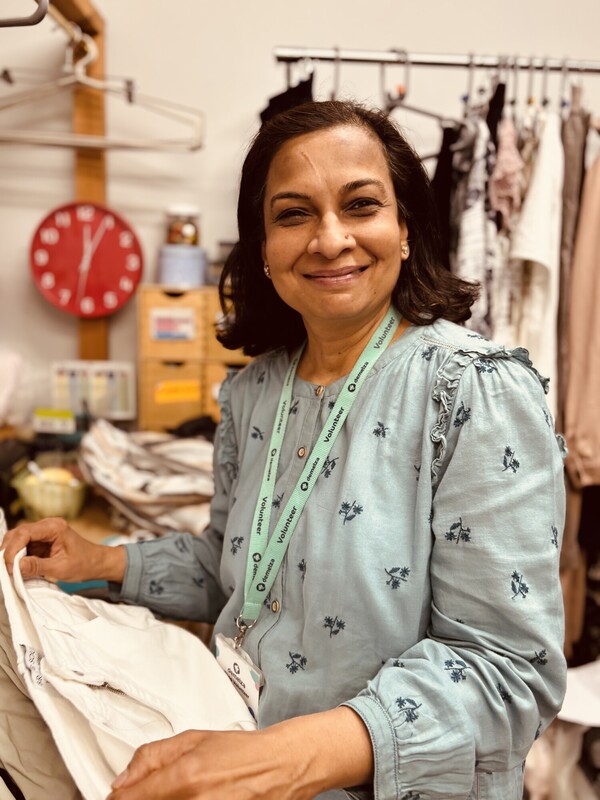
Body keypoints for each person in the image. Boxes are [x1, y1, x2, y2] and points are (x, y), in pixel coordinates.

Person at [1, 100, 566, 800]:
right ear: (263, 251)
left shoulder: (473, 394)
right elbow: (237, 570)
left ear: (407, 230)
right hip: (232, 742)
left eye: (361, 205)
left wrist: (280, 760)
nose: (330, 240)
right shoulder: (256, 394)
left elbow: (508, 670)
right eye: (293, 215)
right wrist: (103, 562)